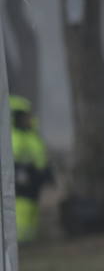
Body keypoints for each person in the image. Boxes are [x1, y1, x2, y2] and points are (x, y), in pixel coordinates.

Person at [10, 95, 51, 243]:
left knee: (32, 206)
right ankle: (20, 239)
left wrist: (46, 172)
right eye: (24, 116)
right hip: (20, 176)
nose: (28, 119)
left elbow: (39, 154)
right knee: (22, 207)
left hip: (33, 176)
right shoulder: (13, 136)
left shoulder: (31, 134)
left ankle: (28, 238)